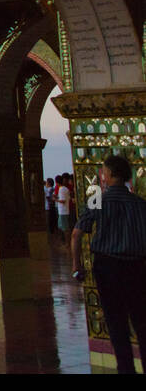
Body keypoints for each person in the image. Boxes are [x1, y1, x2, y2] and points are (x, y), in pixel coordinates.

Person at [71, 155, 146, 374]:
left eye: (103, 172)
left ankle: (126, 369)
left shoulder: (98, 200)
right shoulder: (140, 204)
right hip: (138, 269)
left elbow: (76, 234)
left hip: (109, 269)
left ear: (109, 175)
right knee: (142, 322)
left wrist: (77, 266)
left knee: (116, 323)